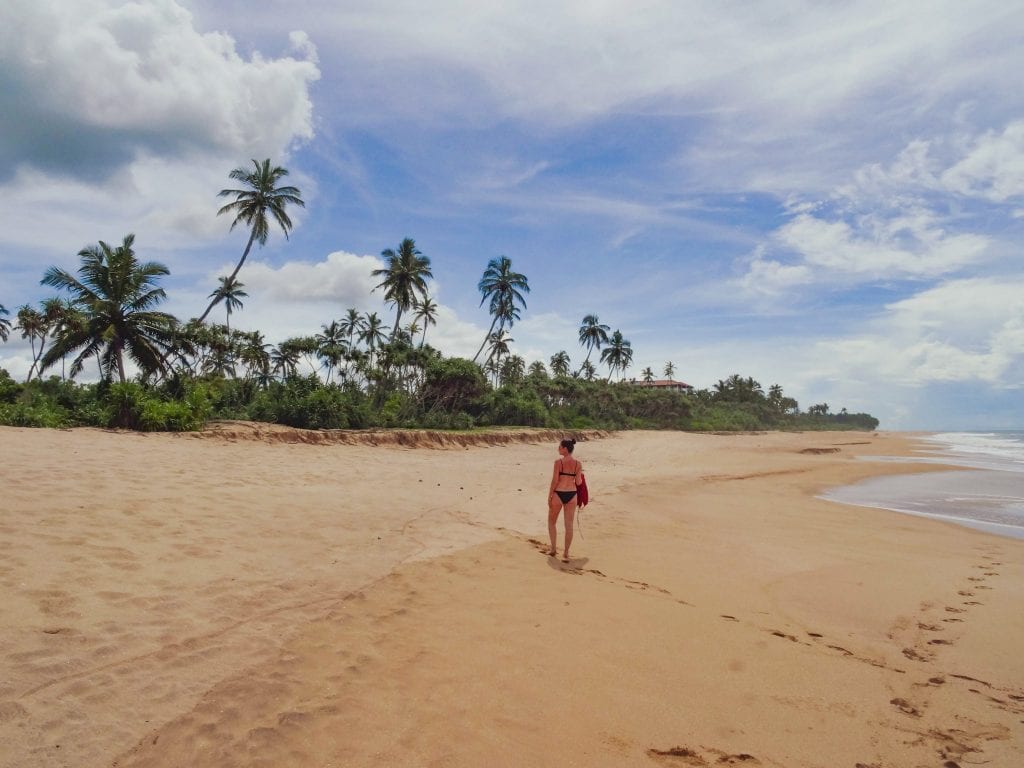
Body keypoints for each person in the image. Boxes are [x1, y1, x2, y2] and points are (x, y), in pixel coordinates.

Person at [547, 438, 583, 562]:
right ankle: (566, 553)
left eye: (560, 447)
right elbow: (578, 482)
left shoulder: (558, 463)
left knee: (551, 522)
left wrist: (550, 495)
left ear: (565, 449)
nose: (558, 449)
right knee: (569, 526)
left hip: (558, 494)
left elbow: (555, 481)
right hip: (572, 495)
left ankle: (553, 549)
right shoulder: (578, 464)